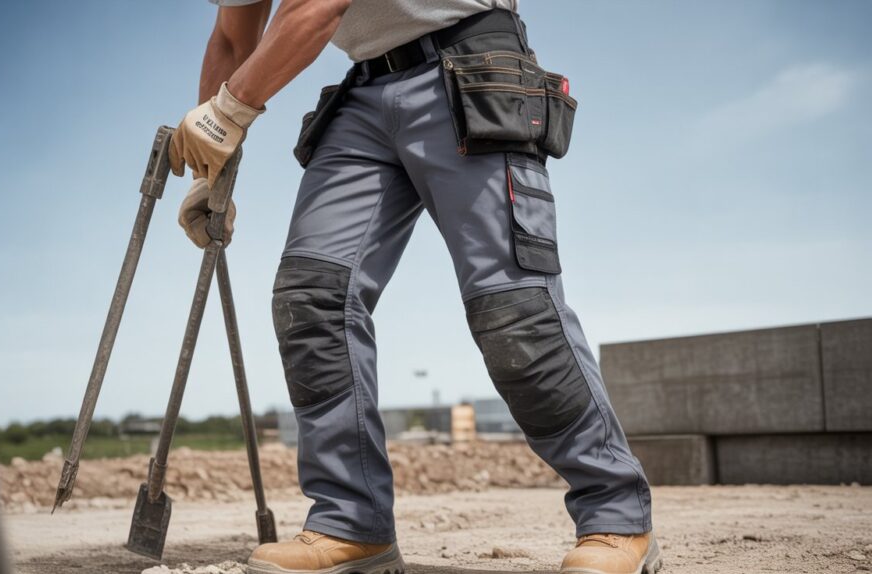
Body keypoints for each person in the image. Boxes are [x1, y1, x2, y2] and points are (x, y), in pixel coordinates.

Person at [169, 1, 662, 573]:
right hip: (363, 92)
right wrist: (209, 172)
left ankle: (617, 515)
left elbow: (319, 7)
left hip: (469, 61)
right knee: (314, 298)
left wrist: (229, 111)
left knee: (513, 309)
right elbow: (234, 37)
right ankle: (350, 525)